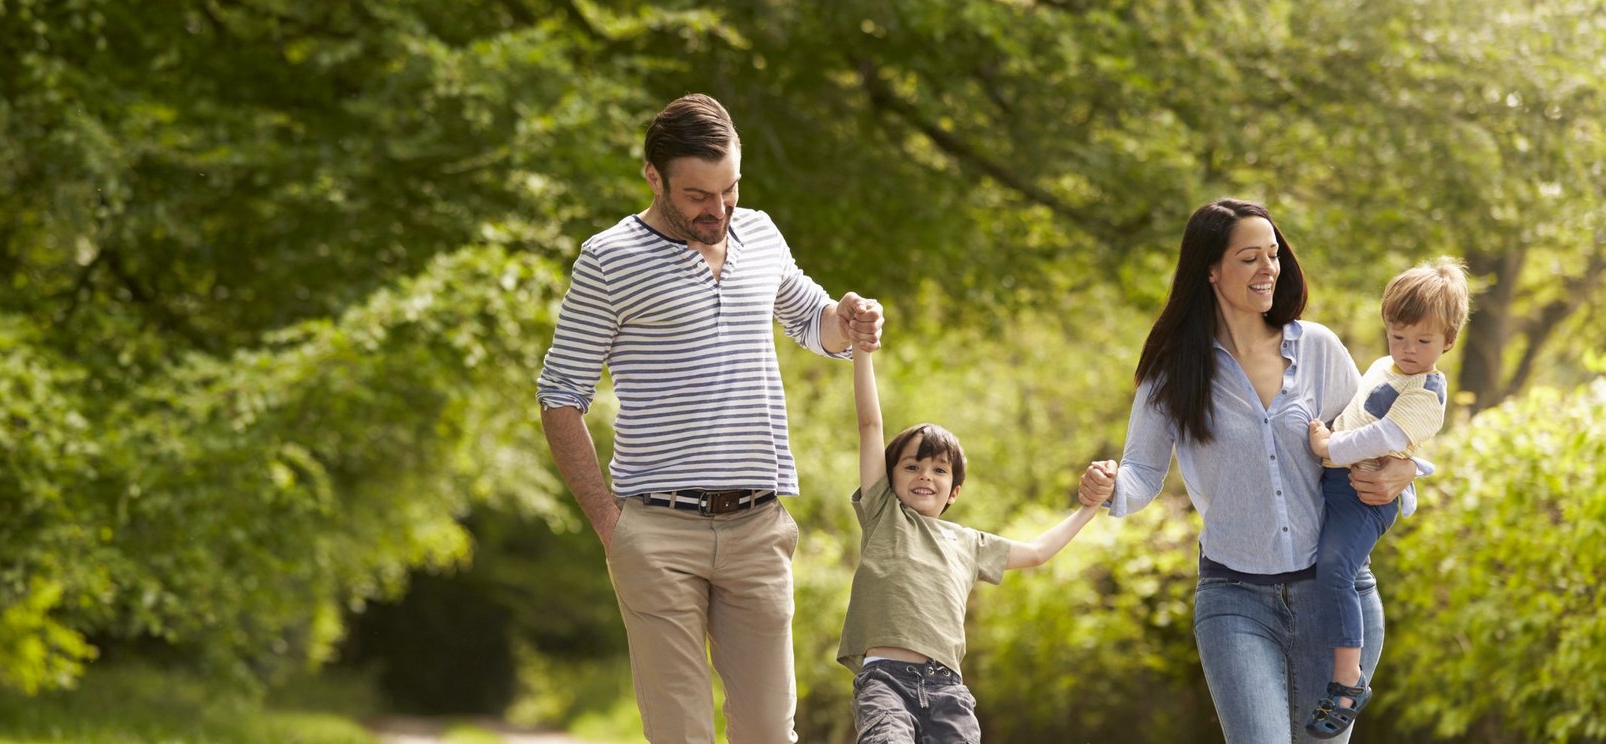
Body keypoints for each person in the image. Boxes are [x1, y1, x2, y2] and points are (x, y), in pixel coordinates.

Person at [536, 93, 884, 744]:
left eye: (729, 190)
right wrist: (611, 527)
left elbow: (816, 323)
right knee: (681, 732)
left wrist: (853, 316)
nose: (717, 210)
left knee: (767, 732)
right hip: (657, 531)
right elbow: (559, 395)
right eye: (698, 195)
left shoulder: (760, 235)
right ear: (654, 178)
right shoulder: (609, 260)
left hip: (759, 527)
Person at [1076, 198, 1424, 744]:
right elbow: (1142, 471)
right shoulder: (1173, 371)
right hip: (1235, 600)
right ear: (1211, 269)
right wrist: (1108, 487)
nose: (1268, 269)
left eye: (1273, 255)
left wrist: (1404, 476)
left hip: (1335, 598)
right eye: (1249, 258)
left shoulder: (1318, 349)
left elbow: (1374, 437)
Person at [839, 338, 1101, 743]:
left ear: (954, 491)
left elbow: (1036, 552)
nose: (925, 475)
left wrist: (1089, 508)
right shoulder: (883, 514)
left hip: (947, 689)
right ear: (890, 480)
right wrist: (862, 350)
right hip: (885, 681)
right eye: (911, 466)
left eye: (939, 470)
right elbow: (869, 424)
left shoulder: (969, 542)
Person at [1300, 257, 1470, 739]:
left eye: (1424, 341)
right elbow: (1354, 412)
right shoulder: (1381, 367)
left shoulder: (1426, 395)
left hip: (1366, 495)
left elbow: (1379, 437)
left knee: (1337, 568)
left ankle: (1348, 679)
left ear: (1448, 341)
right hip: (1339, 481)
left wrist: (1326, 446)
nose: (1409, 350)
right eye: (1399, 337)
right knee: (1324, 563)